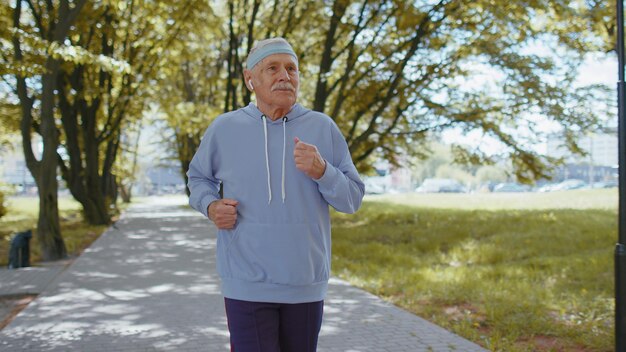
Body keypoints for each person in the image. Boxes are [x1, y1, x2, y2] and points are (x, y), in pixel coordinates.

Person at [187, 37, 365, 352]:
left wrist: (324, 170)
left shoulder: (323, 128)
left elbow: (352, 199)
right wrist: (210, 205)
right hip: (246, 282)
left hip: (305, 283)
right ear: (249, 79)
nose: (285, 76)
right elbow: (198, 178)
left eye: (291, 68)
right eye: (273, 68)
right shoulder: (224, 129)